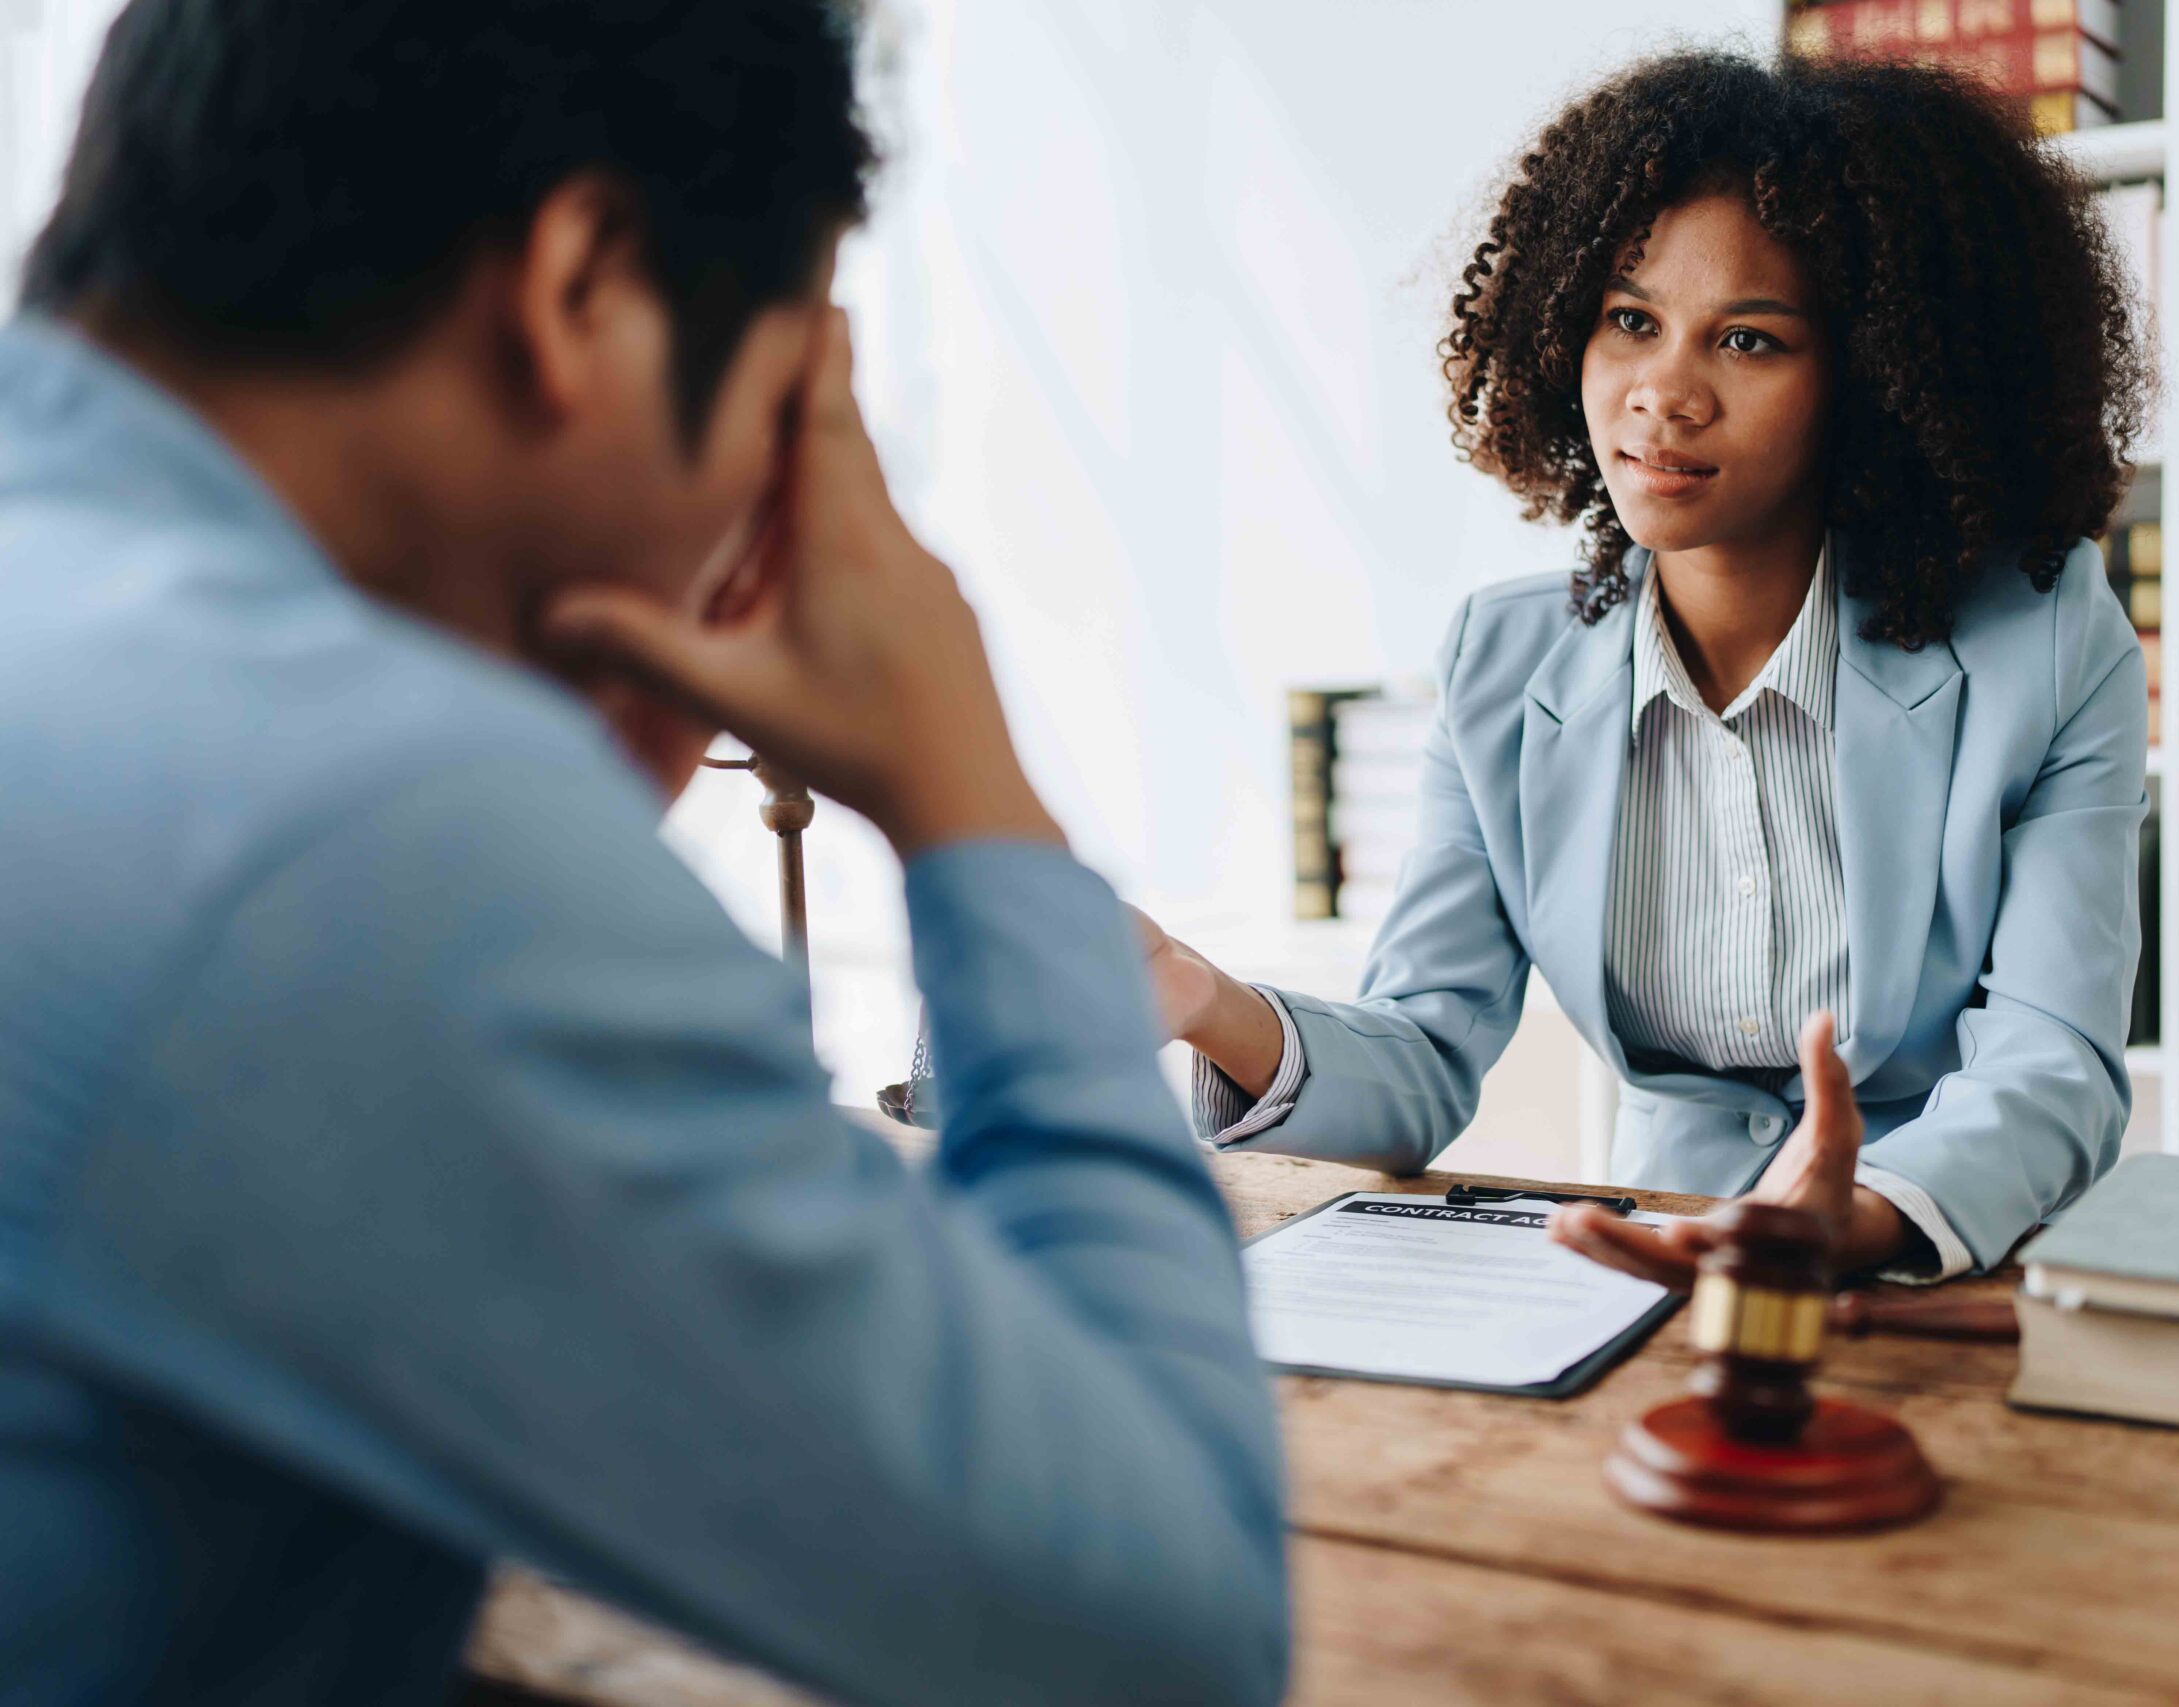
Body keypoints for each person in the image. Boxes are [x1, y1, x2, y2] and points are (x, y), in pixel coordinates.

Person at [0, 3, 1286, 1704]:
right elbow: (1164, 1635)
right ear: (581, 280)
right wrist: (972, 796)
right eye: (785, 408)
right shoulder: (367, 829)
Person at [1143, 50, 2152, 1286]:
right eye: (1630, 321)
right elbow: (1419, 1055)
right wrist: (1195, 994)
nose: (1662, 395)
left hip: (1941, 1265)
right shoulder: (1501, 661)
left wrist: (1871, 1215)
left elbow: (2053, 1063)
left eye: (1747, 339)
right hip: (1641, 1269)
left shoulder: (2045, 641)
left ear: (1878, 380)